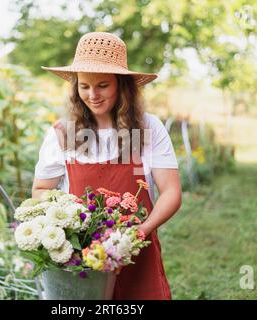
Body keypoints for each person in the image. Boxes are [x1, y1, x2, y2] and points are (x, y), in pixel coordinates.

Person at [32, 31, 181, 300]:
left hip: (136, 254)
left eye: (103, 85)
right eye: (84, 86)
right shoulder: (62, 134)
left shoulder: (148, 128)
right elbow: (41, 189)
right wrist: (71, 222)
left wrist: (137, 234)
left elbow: (171, 192)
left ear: (122, 85)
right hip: (83, 262)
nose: (92, 95)